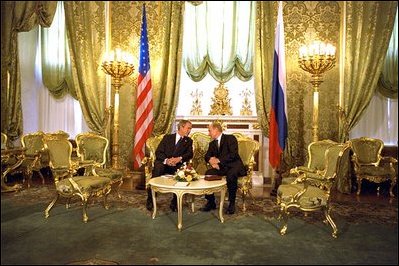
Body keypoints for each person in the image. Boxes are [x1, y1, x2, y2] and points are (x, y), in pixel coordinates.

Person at [146, 120, 193, 212]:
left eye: (190, 128)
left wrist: (179, 158)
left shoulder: (188, 141)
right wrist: (167, 160)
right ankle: (150, 199)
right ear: (181, 127)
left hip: (177, 165)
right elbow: (159, 152)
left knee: (181, 172)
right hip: (164, 163)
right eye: (188, 128)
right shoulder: (167, 138)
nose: (190, 130)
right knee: (158, 168)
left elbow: (190, 154)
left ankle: (175, 202)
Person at [201, 121, 246, 215]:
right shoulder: (212, 143)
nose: (208, 133)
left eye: (209, 131)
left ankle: (232, 203)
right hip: (221, 167)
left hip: (234, 165)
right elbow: (207, 156)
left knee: (231, 175)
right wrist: (211, 161)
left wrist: (218, 160)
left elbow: (233, 155)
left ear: (216, 130)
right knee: (208, 173)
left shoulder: (230, 138)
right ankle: (211, 202)